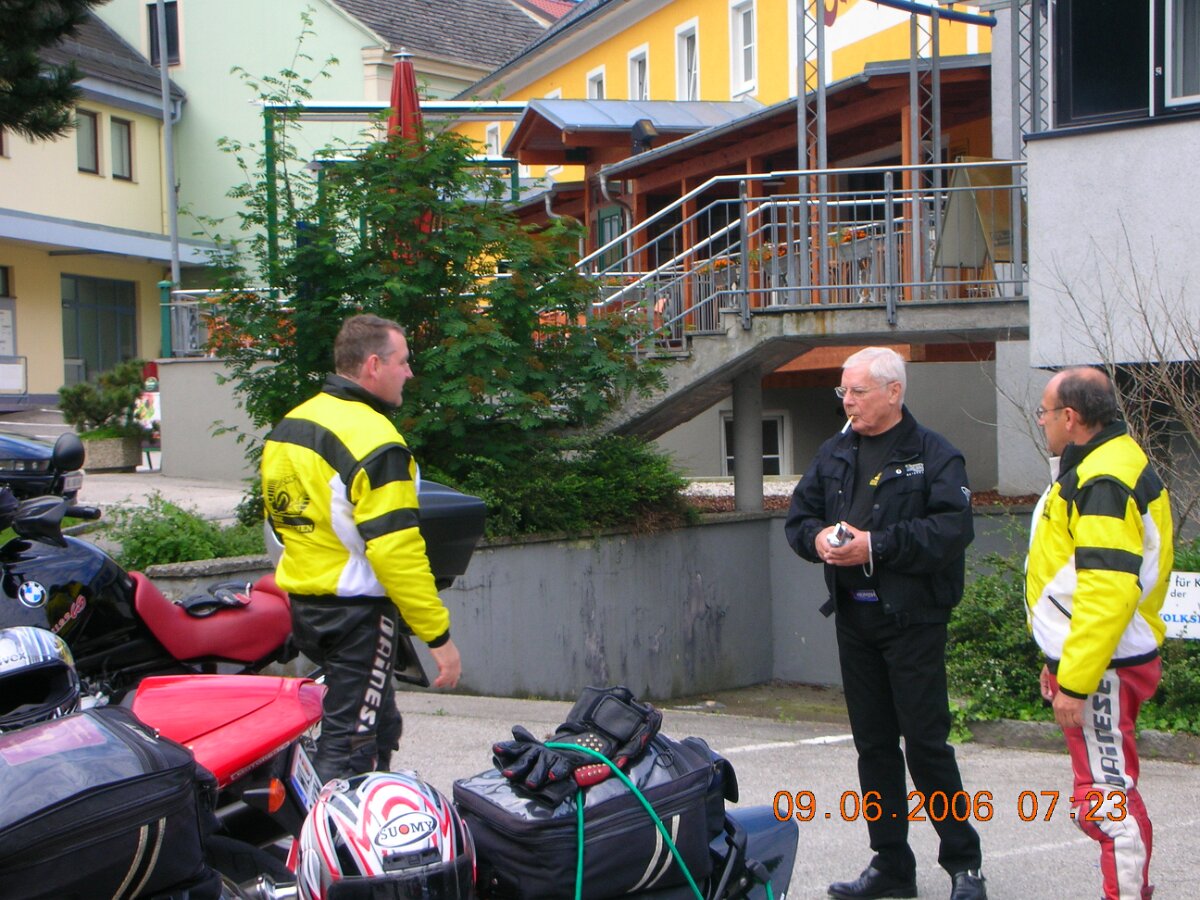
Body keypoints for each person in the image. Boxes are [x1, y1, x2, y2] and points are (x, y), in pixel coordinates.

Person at [785, 347, 986, 900]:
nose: (847, 402)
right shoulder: (835, 451)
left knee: (925, 746)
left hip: (913, 619)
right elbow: (799, 518)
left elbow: (952, 531)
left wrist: (876, 545)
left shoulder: (934, 454)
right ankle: (891, 864)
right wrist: (818, 540)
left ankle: (964, 865)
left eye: (857, 391)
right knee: (873, 747)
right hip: (855, 617)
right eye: (843, 392)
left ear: (894, 392)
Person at [262, 313, 462, 783]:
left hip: (307, 606)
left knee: (379, 726)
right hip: (357, 615)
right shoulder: (375, 441)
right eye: (403, 361)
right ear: (374, 365)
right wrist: (439, 638)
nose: (409, 372)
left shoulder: (291, 426)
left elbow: (282, 521)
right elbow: (396, 551)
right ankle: (331, 827)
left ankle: (366, 808)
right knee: (350, 745)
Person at [1026, 367, 1172, 900]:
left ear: (1070, 417)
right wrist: (1058, 660)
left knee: (1108, 803)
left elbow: (1106, 593)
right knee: (1105, 796)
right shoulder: (1103, 464)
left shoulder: (1102, 479)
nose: (1042, 421)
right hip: (1097, 660)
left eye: (1044, 412)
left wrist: (1076, 680)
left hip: (1104, 665)